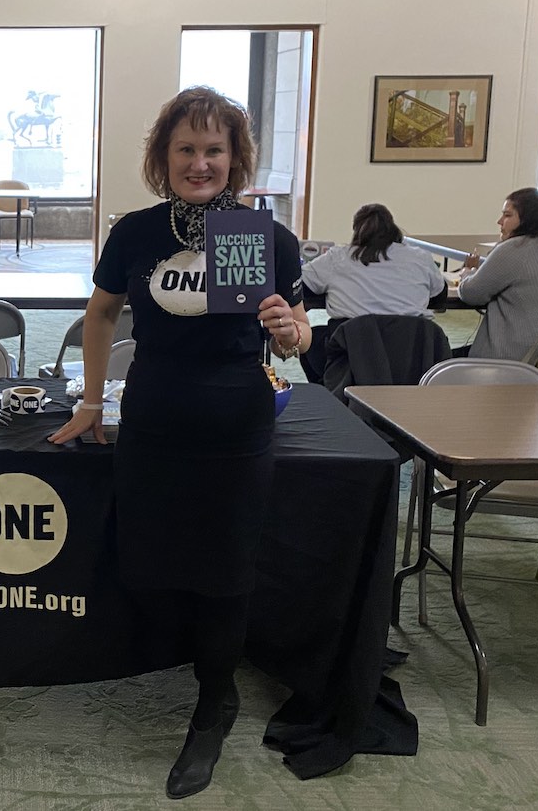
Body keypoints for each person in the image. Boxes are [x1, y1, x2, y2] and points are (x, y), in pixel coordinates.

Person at [47, 86, 308, 799]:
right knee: (154, 553)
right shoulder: (135, 232)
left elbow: (296, 335)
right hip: (155, 415)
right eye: (186, 149)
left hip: (235, 422)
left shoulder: (263, 237)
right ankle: (174, 664)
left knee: (226, 565)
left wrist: (290, 331)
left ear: (235, 158)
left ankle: (215, 700)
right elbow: (100, 317)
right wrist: (92, 399)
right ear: (164, 157)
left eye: (214, 150)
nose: (200, 162)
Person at [299, 203, 446, 382]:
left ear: (357, 230)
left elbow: (301, 284)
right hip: (411, 354)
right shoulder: (420, 257)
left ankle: (328, 394)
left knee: (308, 339)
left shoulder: (338, 258)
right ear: (393, 228)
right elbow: (440, 295)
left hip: (353, 353)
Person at [456, 187, 538, 360]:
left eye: (507, 215)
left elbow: (471, 294)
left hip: (513, 362)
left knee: (437, 360)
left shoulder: (514, 248)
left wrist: (468, 272)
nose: (499, 221)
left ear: (529, 219)